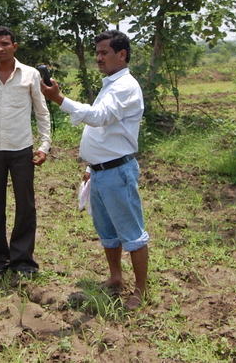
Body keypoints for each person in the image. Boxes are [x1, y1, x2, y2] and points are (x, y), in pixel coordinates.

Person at [40, 30, 149, 310]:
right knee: (108, 233)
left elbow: (100, 118)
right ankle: (115, 279)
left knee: (132, 234)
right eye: (97, 52)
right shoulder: (110, 84)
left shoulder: (125, 86)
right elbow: (104, 132)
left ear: (121, 54)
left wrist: (60, 100)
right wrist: (91, 166)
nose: (98, 58)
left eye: (104, 52)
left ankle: (140, 290)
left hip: (118, 172)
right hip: (101, 172)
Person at [0, 26, 51, 281]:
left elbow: (41, 111)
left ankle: (23, 260)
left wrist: (44, 144)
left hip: (21, 149)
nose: (0, 49)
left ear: (15, 46)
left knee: (25, 205)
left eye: (5, 43)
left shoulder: (30, 75)